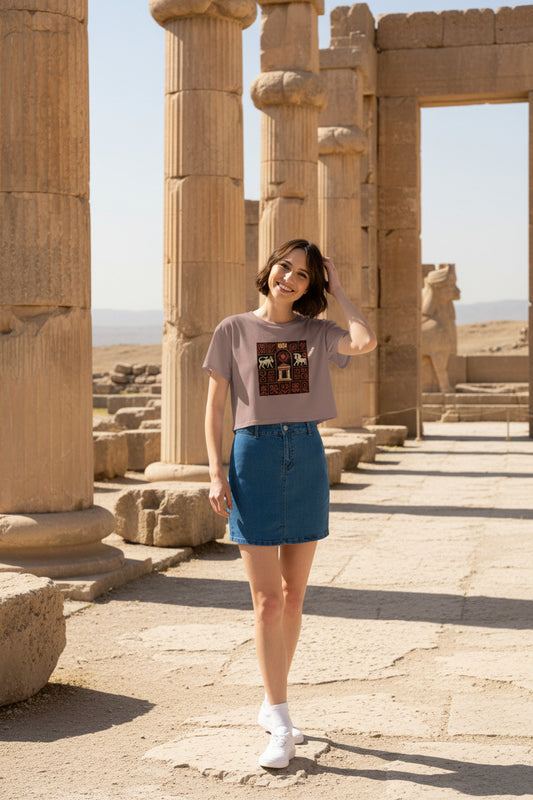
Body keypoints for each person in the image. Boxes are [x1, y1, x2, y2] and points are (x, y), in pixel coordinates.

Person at [203, 239, 376, 769]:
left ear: (312, 286)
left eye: (304, 275)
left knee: (295, 595)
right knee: (267, 601)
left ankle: (271, 698)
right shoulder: (233, 329)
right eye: (285, 268)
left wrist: (340, 289)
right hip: (252, 455)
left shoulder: (317, 332)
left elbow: (365, 341)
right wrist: (215, 473)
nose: (291, 280)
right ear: (269, 269)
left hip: (304, 451)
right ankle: (279, 718)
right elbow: (214, 409)